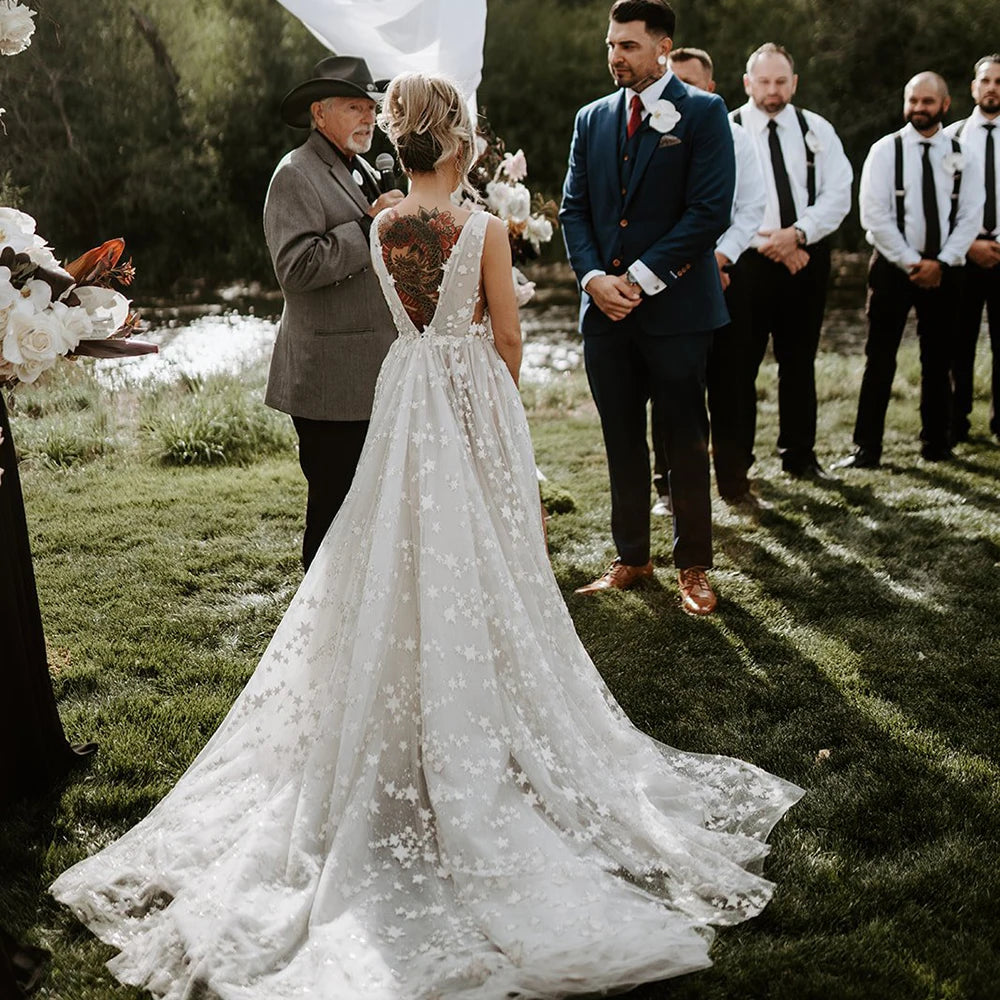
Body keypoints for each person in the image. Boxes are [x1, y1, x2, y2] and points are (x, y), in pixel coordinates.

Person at [51, 72, 802, 999]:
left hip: (402, 393)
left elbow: (406, 317)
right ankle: (472, 718)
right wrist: (494, 398)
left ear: (407, 142)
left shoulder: (377, 225)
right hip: (468, 396)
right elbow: (510, 340)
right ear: (459, 143)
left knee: (395, 547)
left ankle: (398, 703)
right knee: (481, 555)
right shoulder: (482, 228)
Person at [560, 0, 736, 615]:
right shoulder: (590, 118)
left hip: (678, 311)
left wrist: (636, 276)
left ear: (662, 46)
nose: (616, 57)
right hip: (604, 314)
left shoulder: (706, 113)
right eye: (611, 45)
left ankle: (694, 567)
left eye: (628, 45)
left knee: (685, 439)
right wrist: (590, 279)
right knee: (620, 439)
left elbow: (709, 212)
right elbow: (573, 209)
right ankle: (632, 557)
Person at [264, 55, 404, 570]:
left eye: (371, 108)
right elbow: (295, 269)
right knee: (332, 509)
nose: (369, 119)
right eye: (354, 108)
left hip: (372, 370)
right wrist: (369, 229)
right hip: (328, 381)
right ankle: (317, 627)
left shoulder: (367, 166)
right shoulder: (295, 174)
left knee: (368, 508)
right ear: (319, 114)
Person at [836, 73, 983, 468]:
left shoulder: (962, 152)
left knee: (940, 358)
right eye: (913, 100)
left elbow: (971, 214)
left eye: (928, 101)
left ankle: (937, 444)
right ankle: (866, 448)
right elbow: (873, 215)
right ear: (905, 103)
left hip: (946, 268)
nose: (919, 108)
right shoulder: (885, 150)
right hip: (892, 267)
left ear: (945, 104)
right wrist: (910, 261)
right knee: (879, 357)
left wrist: (943, 261)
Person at [650, 47, 767, 515]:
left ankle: (735, 482)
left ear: (712, 88)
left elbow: (750, 208)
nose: (683, 92)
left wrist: (717, 258)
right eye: (675, 82)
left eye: (692, 84)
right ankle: (667, 487)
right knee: (672, 384)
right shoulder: (653, 134)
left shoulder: (736, 137)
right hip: (667, 279)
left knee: (732, 381)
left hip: (727, 274)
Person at [729, 43, 853, 479]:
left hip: (805, 257)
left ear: (794, 82)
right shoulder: (728, 129)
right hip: (746, 260)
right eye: (763, 81)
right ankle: (737, 462)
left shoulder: (816, 128)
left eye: (781, 81)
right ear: (748, 83)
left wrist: (797, 235)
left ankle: (799, 456)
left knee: (799, 361)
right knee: (739, 364)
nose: (773, 90)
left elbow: (839, 193)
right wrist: (768, 242)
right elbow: (717, 201)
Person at [945, 54, 1000, 446]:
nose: (992, 87)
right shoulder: (951, 137)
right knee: (957, 341)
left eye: (999, 81)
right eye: (986, 80)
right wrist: (970, 243)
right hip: (963, 254)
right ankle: (955, 422)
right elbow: (940, 200)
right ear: (973, 87)